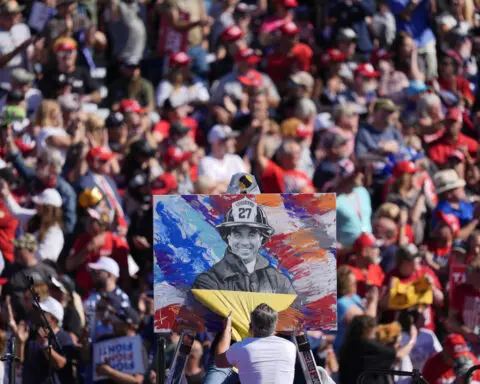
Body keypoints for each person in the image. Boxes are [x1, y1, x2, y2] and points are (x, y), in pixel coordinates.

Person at [192, 197, 295, 294]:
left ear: (261, 238)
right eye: (237, 234)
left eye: (252, 234)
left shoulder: (280, 283)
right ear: (228, 238)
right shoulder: (207, 282)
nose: (245, 242)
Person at [215, 304, 296, 384]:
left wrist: (227, 330)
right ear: (275, 325)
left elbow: (219, 362)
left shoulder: (241, 348)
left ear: (250, 326)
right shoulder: (290, 347)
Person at [339, 315, 418, 384]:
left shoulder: (346, 346)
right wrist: (413, 339)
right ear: (367, 330)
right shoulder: (367, 345)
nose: (374, 336)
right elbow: (398, 356)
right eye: (373, 333)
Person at [20, 296, 76, 384]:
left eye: (42, 312)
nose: (37, 313)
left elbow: (60, 364)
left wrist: (45, 345)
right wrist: (21, 342)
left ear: (53, 319)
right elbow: (21, 363)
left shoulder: (64, 338)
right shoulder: (32, 335)